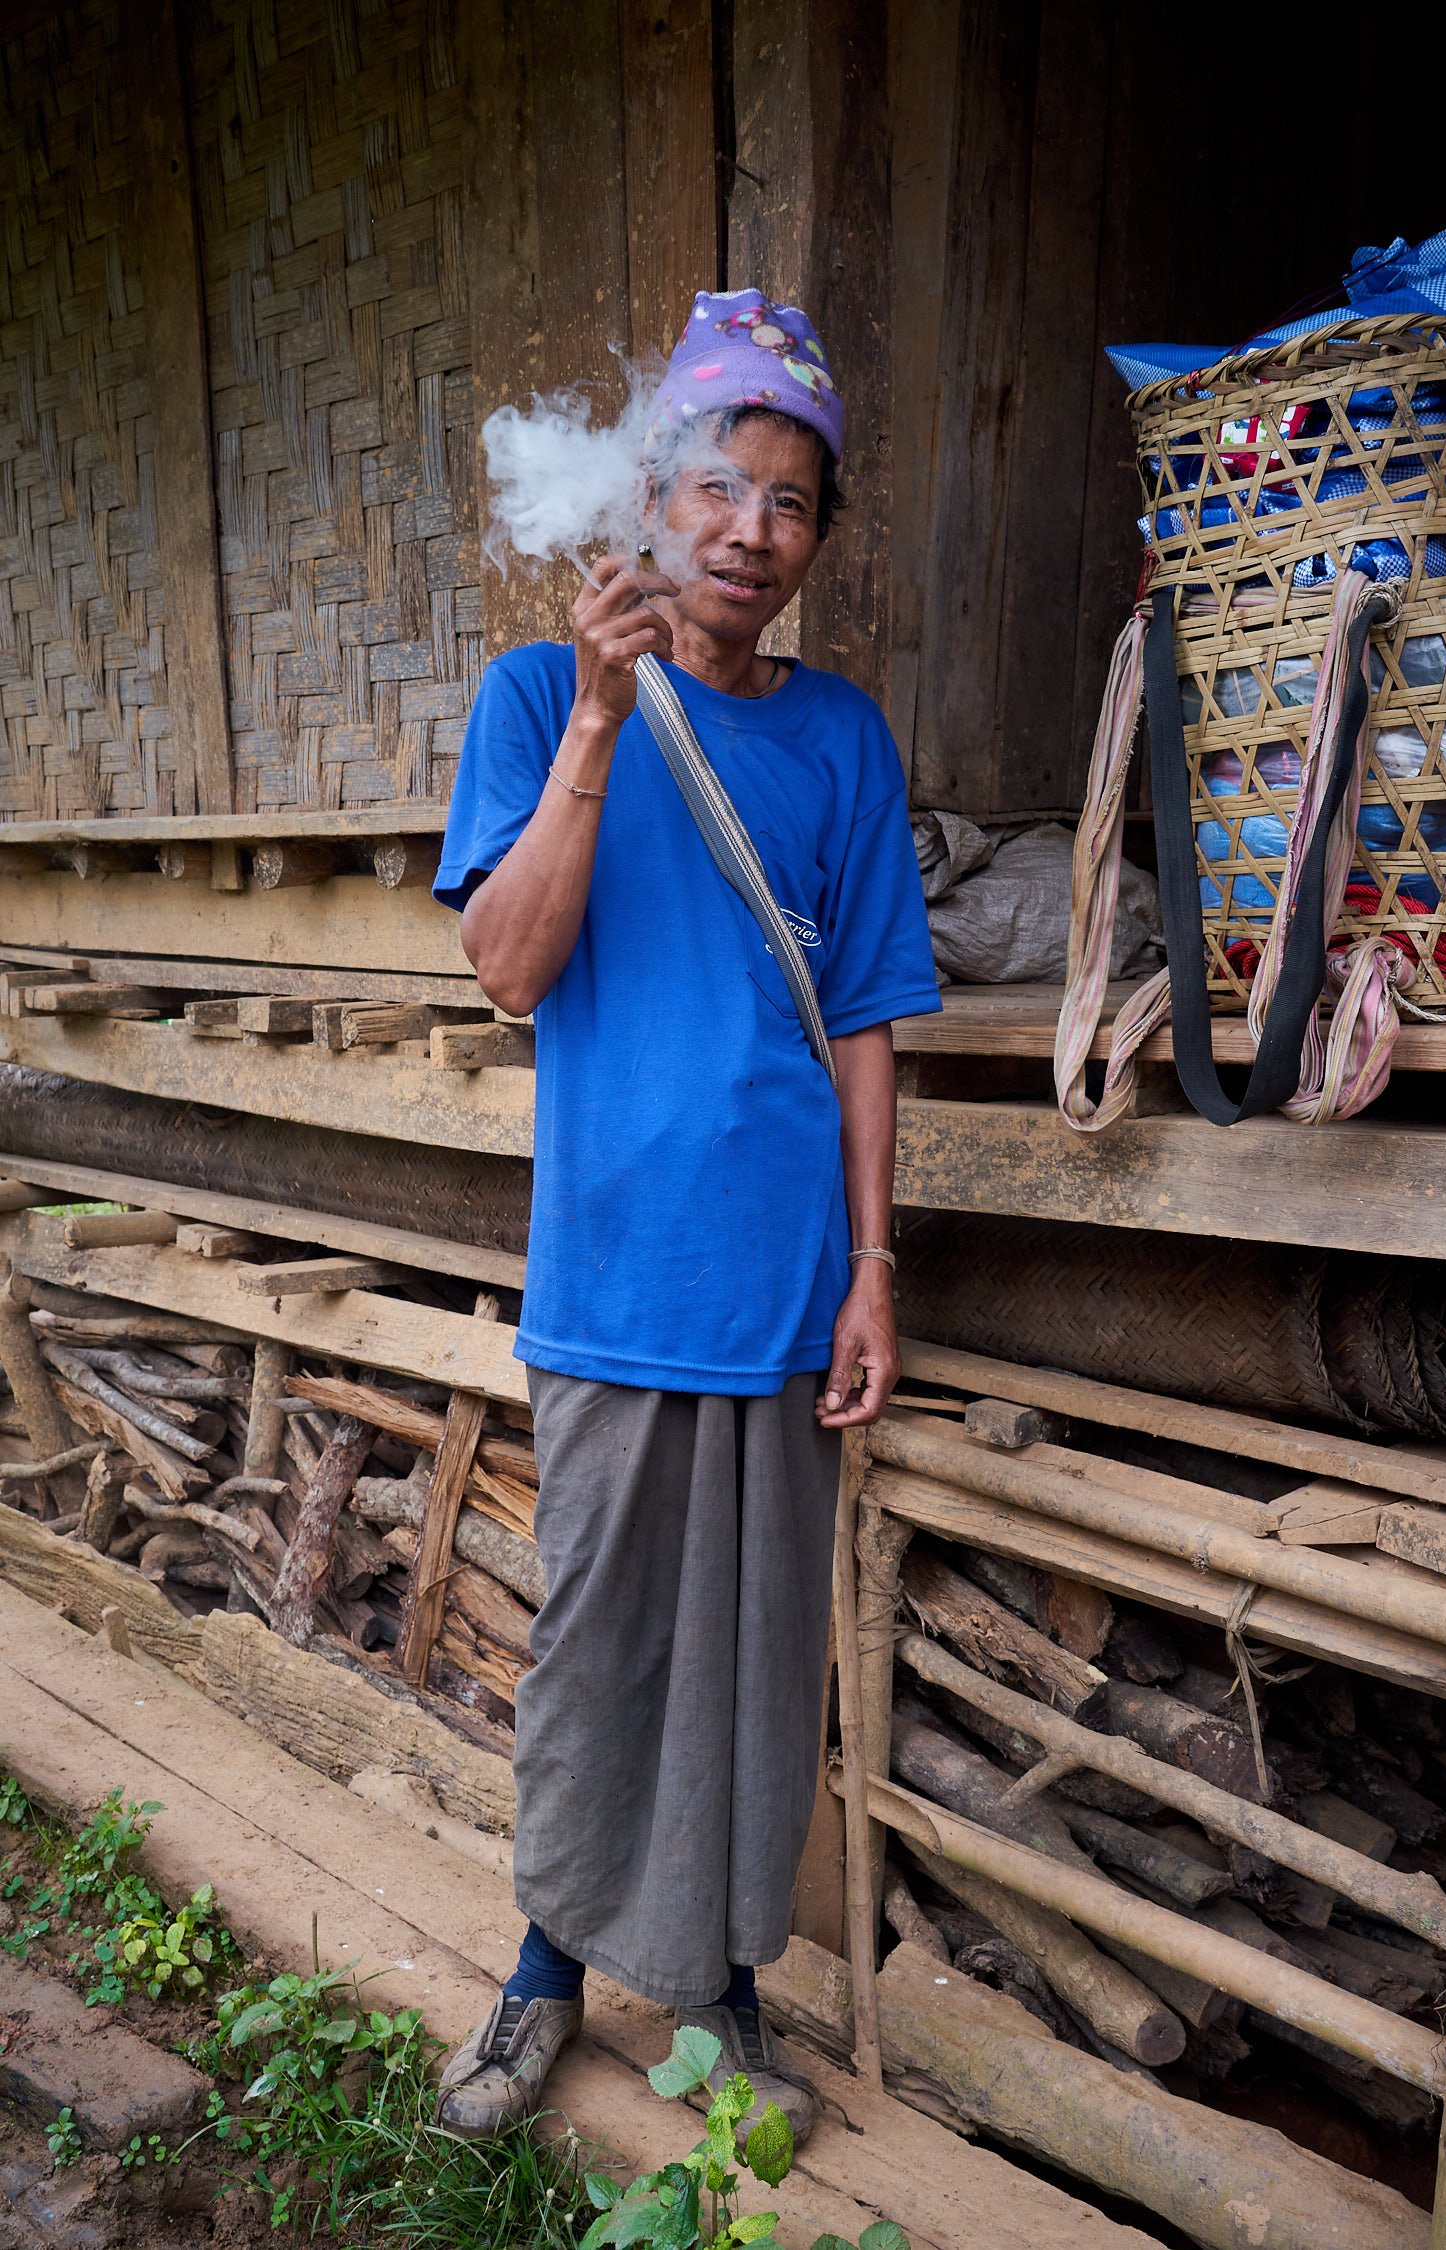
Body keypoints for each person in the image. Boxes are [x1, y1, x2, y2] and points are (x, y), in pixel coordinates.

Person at [429, 287, 940, 2146]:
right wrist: (596, 725)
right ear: (654, 494)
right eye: (721, 484)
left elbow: (874, 1015)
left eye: (793, 502)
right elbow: (505, 965)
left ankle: (719, 1992)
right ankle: (543, 1976)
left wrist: (875, 1266)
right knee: (602, 1648)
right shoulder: (534, 699)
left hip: (788, 1289)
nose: (751, 530)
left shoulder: (845, 743)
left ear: (816, 537)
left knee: (751, 1661)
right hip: (616, 1279)